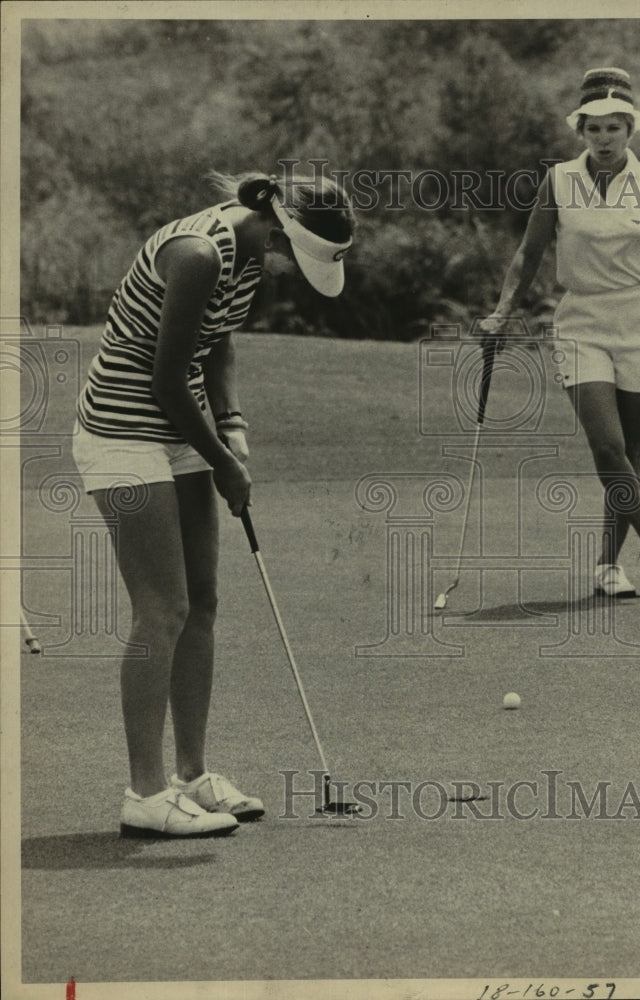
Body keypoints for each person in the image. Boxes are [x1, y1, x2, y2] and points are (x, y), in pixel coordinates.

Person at [72, 170, 356, 837]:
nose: (289, 273)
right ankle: (144, 795)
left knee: (202, 601)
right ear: (281, 227)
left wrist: (233, 426)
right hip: (123, 429)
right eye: (296, 258)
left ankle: (191, 776)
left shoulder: (249, 251)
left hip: (183, 427)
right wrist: (224, 463)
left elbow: (218, 342)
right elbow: (167, 377)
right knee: (161, 606)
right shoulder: (199, 254)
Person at [483, 67, 640, 598]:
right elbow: (529, 252)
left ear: (629, 129)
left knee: (629, 456)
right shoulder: (558, 180)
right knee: (607, 446)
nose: (602, 139)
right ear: (580, 131)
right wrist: (503, 311)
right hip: (580, 323)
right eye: (592, 129)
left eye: (612, 128)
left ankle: (606, 567)